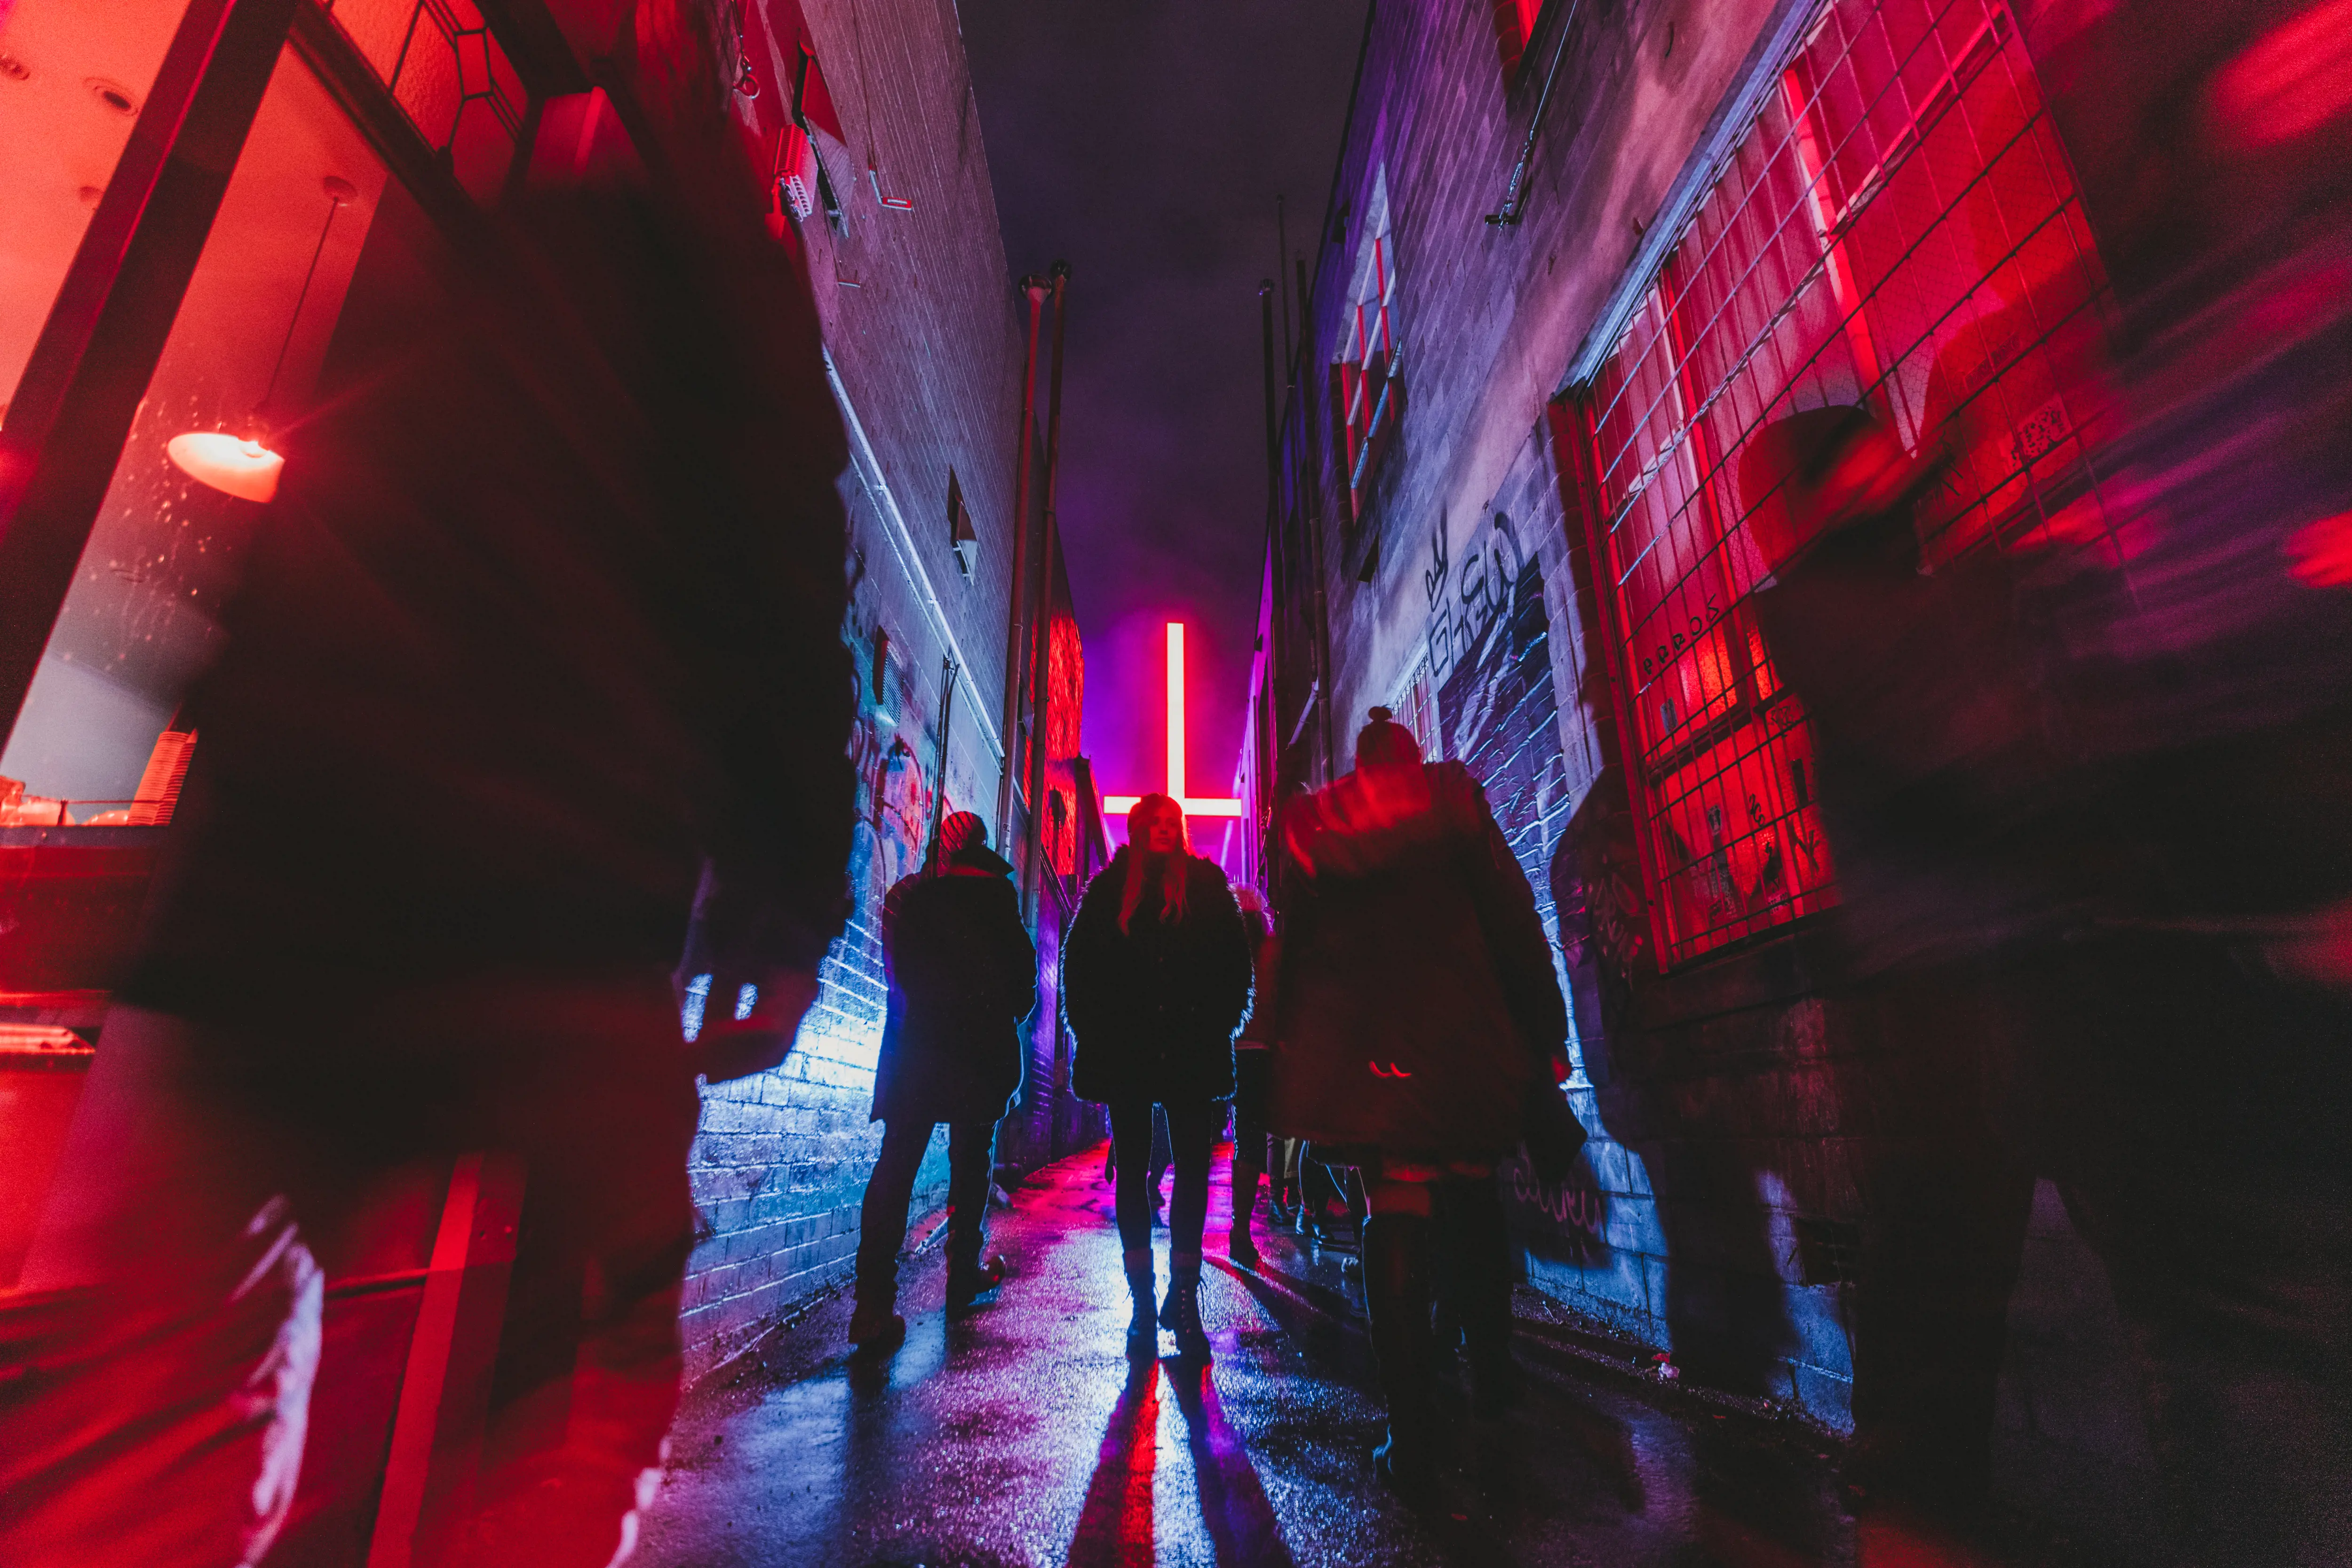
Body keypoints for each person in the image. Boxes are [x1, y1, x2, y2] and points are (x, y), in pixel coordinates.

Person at [0, 4, 854, 1561]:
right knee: (581, 1380)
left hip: (271, 891)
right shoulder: (732, 294)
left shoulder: (457, 237)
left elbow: (291, 542)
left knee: (156, 1412)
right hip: (545, 906)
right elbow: (785, 606)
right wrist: (790, 902)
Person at [1271, 709, 1566, 1493]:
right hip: (1461, 1035)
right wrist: (1546, 1029)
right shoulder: (1455, 805)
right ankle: (1493, 1377)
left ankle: (1411, 1429)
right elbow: (1513, 918)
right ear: (1413, 757)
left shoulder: (1315, 824)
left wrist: (1289, 1050)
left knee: (1392, 1208)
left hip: (1367, 1048)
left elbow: (1292, 945)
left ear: (1359, 768)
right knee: (1471, 1193)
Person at [1063, 794, 1252, 1356]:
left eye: (1173, 823)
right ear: (1138, 828)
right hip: (1127, 1054)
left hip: (1191, 1053)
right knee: (1132, 1176)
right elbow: (1078, 967)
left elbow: (1235, 966)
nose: (1164, 830)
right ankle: (1143, 1307)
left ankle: (1185, 1300)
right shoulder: (1108, 890)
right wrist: (1098, 1033)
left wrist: (1214, 1025)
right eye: (1154, 823)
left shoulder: (1207, 886)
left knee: (1193, 1171)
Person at [849, 812, 1035, 1351]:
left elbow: (897, 979)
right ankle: (962, 1278)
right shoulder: (999, 901)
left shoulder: (913, 899)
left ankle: (872, 1306)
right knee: (971, 1162)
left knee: (896, 1166)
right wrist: (995, 1020)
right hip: (977, 1056)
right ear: (980, 850)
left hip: (916, 1051)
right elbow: (1024, 985)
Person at [1227, 886, 1279, 1267]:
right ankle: (1240, 1231)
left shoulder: (1221, 949)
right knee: (1250, 1139)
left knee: (1197, 1141)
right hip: (1260, 1053)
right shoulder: (1272, 951)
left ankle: (1191, 1240)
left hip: (1222, 1051)